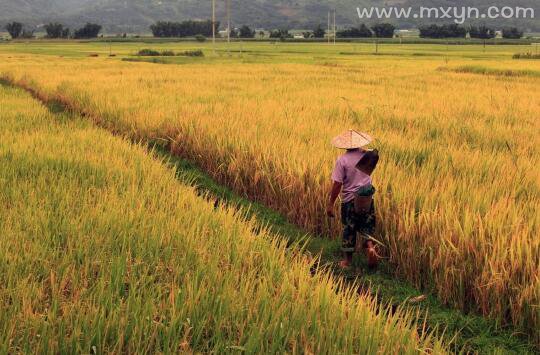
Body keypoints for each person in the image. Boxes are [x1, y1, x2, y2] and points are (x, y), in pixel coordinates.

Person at [326, 129, 379, 269]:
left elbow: (337, 184)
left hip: (350, 200)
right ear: (359, 142)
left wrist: (330, 204)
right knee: (366, 225)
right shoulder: (367, 155)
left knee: (349, 228)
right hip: (367, 198)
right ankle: (370, 247)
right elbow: (372, 162)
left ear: (345, 145)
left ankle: (347, 262)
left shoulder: (342, 160)